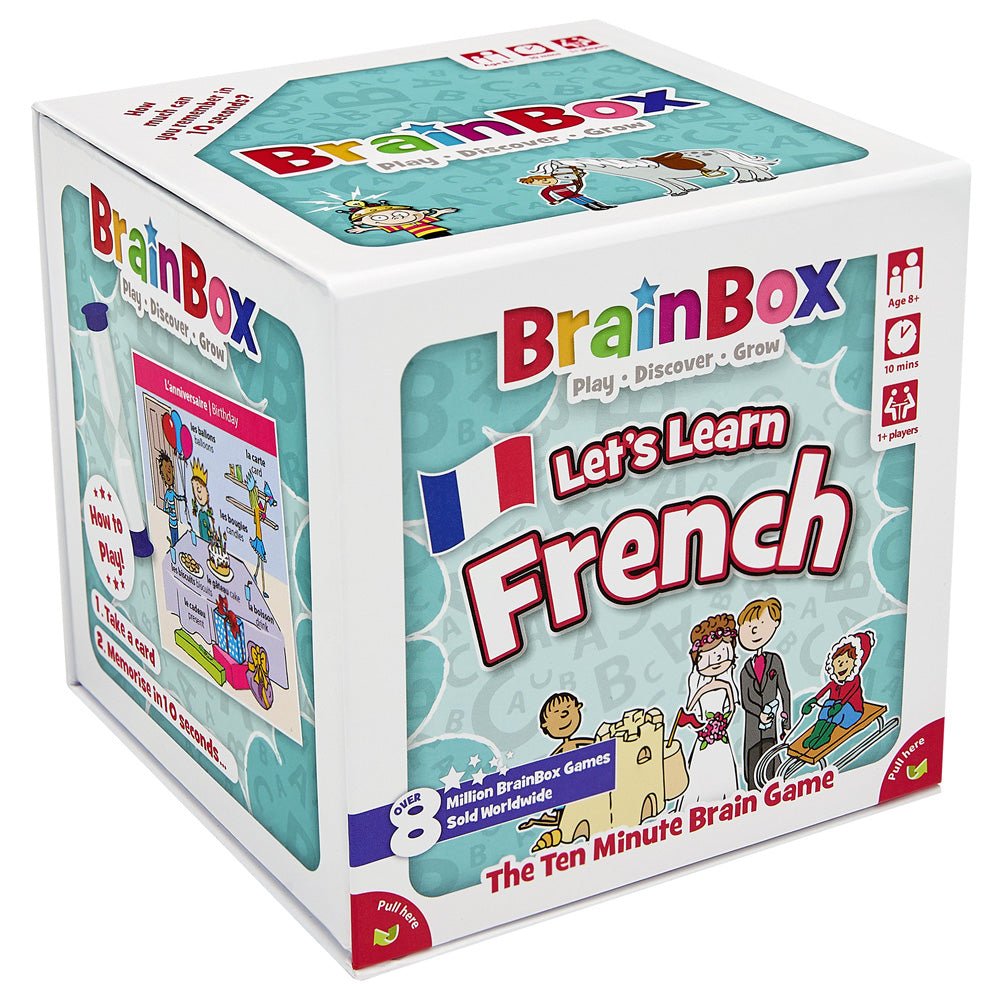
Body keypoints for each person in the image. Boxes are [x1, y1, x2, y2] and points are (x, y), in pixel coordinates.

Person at [517, 692, 594, 851]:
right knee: (564, 812)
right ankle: (549, 822)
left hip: (583, 783)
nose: (563, 718)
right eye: (556, 715)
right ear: (546, 725)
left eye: (566, 711)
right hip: (568, 787)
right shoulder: (558, 753)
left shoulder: (576, 744)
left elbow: (595, 743)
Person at [680, 614, 740, 805]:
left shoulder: (727, 685)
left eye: (723, 652)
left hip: (720, 737)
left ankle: (728, 803)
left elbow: (732, 708)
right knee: (700, 769)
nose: (716, 660)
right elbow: (689, 710)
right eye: (708, 656)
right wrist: (697, 725)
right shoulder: (699, 687)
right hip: (704, 738)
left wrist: (722, 724)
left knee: (723, 768)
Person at [738, 598, 792, 789]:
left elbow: (784, 691)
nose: (754, 631)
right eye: (749, 626)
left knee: (771, 760)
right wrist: (758, 713)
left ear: (774, 624)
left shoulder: (775, 661)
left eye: (761, 623)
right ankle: (753, 793)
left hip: (771, 728)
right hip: (752, 727)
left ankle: (775, 789)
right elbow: (745, 700)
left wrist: (787, 723)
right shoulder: (745, 669)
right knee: (753, 761)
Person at [802, 631, 876, 749]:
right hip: (836, 706)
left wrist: (840, 705)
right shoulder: (834, 682)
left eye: (846, 662)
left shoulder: (854, 681)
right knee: (826, 708)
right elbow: (824, 690)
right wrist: (814, 700)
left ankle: (826, 735)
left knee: (837, 713)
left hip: (853, 710)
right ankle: (815, 734)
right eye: (839, 662)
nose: (841, 665)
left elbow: (849, 695)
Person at [341, 199, 458, 239]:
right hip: (425, 234)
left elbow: (429, 217)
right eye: (380, 217)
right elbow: (380, 228)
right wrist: (363, 230)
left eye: (399, 213)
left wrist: (442, 212)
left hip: (438, 230)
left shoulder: (416, 218)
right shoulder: (399, 225)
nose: (396, 216)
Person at [517, 166, 615, 211]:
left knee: (588, 200)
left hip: (575, 194)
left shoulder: (559, 185)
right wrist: (553, 200)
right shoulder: (548, 189)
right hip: (571, 197)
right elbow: (545, 194)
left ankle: (603, 206)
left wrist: (578, 179)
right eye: (542, 182)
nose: (546, 182)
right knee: (584, 203)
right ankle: (594, 208)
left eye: (546, 179)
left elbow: (571, 184)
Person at [157, 450, 183, 549]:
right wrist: (169, 510)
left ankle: (177, 546)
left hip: (175, 520)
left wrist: (183, 498)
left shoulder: (172, 492)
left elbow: (177, 497)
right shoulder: (167, 494)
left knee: (177, 535)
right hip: (171, 521)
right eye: (166, 474)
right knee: (173, 536)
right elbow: (165, 507)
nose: (169, 477)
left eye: (170, 472)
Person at [190, 459, 214, 543]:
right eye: (196, 490)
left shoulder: (207, 515)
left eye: (200, 489)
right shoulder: (200, 513)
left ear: (207, 491)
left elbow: (211, 530)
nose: (198, 494)